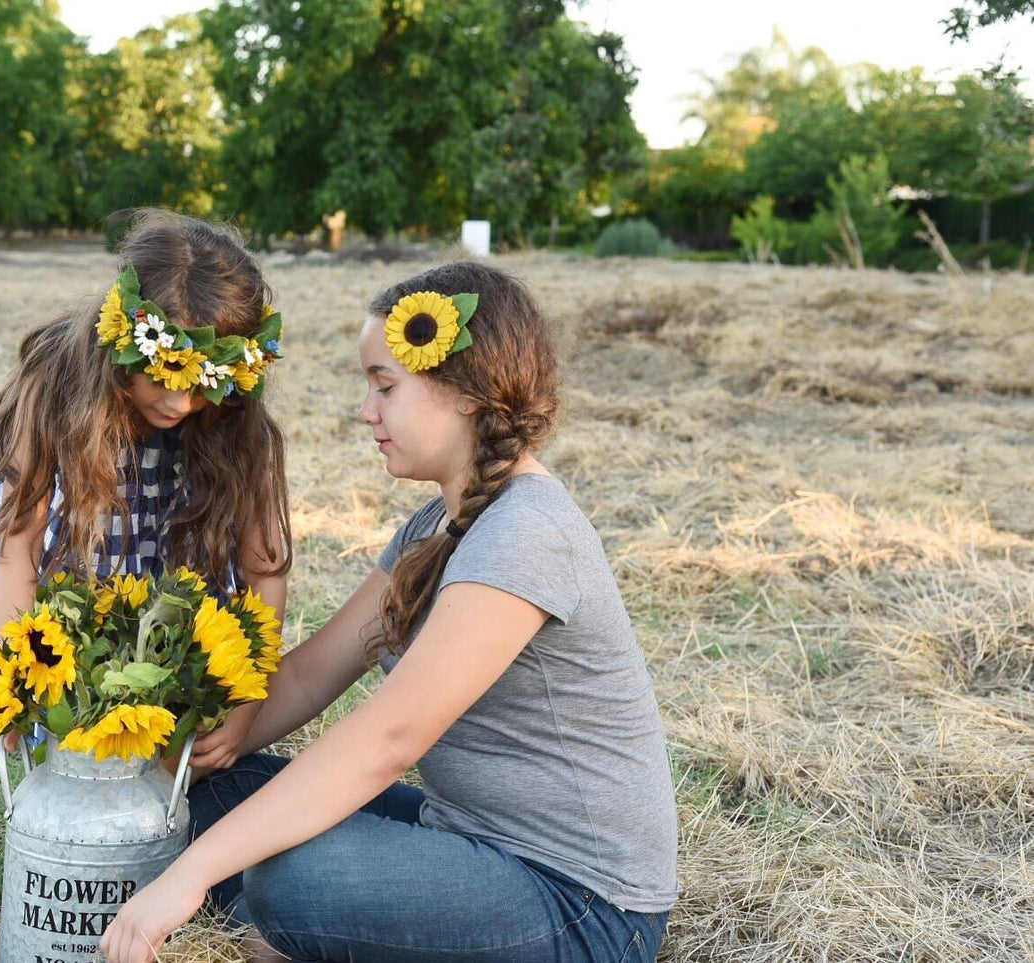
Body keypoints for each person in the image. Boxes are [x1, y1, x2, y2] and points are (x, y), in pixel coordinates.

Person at [100, 260, 678, 963]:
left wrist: (189, 876)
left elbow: (387, 740)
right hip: (464, 841)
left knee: (293, 877)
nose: (366, 411)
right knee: (215, 794)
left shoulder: (526, 532)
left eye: (384, 386)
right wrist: (175, 756)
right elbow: (313, 674)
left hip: (581, 905)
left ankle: (298, 930)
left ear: (463, 393)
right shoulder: (438, 523)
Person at [0, 211, 291, 771]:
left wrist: (247, 707)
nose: (180, 404)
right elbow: (18, 547)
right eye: (164, 375)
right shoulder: (56, 381)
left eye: (203, 387)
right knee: (61, 725)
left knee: (157, 715)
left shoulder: (234, 420)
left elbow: (266, 568)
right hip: (51, 573)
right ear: (123, 335)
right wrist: (16, 681)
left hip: (162, 574)